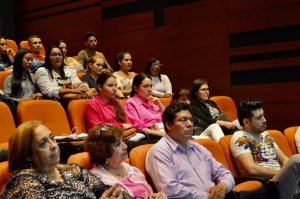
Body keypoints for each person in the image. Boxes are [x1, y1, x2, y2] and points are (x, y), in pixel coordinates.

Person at [0, 120, 123, 198]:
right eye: (43, 144)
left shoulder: (72, 169)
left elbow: (104, 190)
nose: (53, 145)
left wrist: (115, 194)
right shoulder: (24, 181)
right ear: (28, 155)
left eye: (52, 138)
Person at [146, 102, 235, 199]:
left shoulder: (198, 148)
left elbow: (224, 173)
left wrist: (222, 186)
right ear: (168, 125)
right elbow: (170, 190)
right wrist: (207, 196)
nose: (190, 124)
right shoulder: (160, 151)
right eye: (183, 120)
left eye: (191, 120)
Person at [230, 99, 300, 199]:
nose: (264, 120)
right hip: (268, 186)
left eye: (263, 115)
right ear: (246, 122)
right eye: (259, 118)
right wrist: (282, 173)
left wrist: (290, 174)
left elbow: (284, 160)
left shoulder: (265, 135)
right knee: (297, 160)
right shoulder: (240, 138)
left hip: (282, 181)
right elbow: (252, 169)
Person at [86, 123, 166, 199]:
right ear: (104, 153)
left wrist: (159, 196)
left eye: (122, 141)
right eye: (117, 144)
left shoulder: (130, 169)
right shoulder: (97, 180)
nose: (125, 146)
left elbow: (149, 194)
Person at [123, 73, 165, 138]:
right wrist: (160, 133)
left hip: (161, 132)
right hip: (147, 136)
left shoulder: (153, 101)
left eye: (151, 86)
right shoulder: (131, 103)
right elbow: (139, 128)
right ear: (136, 88)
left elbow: (168, 121)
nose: (150, 89)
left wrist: (160, 106)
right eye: (145, 86)